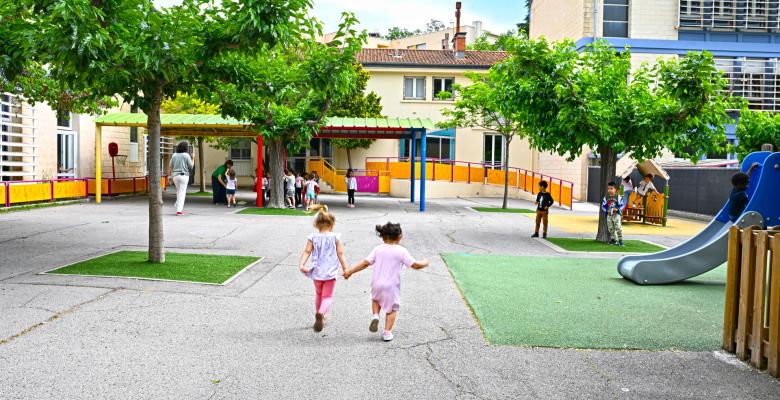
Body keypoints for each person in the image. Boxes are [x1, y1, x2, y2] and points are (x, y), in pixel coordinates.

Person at [344, 222, 429, 342]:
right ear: (399, 237)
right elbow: (414, 265)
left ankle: (375, 315)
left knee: (376, 299)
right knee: (392, 309)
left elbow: (365, 263)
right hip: (391, 286)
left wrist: (350, 271)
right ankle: (387, 332)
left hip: (376, 283)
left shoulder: (378, 249)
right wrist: (424, 262)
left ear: (383, 237)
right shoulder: (402, 251)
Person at [298, 204, 349, 332]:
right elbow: (340, 254)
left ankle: (318, 314)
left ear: (316, 225)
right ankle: (321, 313)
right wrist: (345, 268)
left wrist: (302, 264)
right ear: (332, 225)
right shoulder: (335, 237)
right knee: (327, 297)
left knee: (319, 294)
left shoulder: (312, 237)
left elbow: (306, 251)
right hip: (330, 272)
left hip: (317, 271)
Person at [168, 141, 194, 216]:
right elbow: (191, 166)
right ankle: (179, 211)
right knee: (182, 193)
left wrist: (169, 176)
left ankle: (177, 204)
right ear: (185, 147)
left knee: (179, 191)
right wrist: (193, 158)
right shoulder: (186, 155)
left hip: (175, 176)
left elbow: (170, 166)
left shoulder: (174, 155)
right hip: (184, 176)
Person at [602, 181, 625, 246]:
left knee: (618, 227)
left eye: (611, 188)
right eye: (608, 188)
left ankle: (620, 240)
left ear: (615, 189)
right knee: (611, 228)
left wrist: (617, 209)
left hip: (616, 215)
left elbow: (622, 205)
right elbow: (603, 206)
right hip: (609, 215)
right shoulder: (606, 197)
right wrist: (607, 210)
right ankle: (613, 240)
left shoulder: (618, 197)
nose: (610, 190)